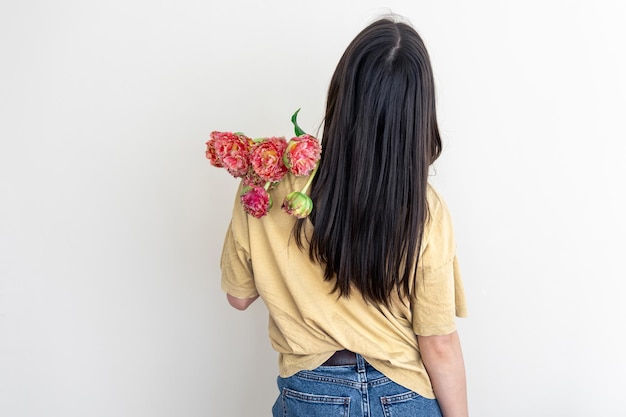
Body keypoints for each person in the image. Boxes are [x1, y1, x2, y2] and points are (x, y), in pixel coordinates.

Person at [220, 16, 469, 417]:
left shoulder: (267, 181)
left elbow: (238, 296)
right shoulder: (425, 209)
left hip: (309, 395)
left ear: (341, 93)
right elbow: (437, 342)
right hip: (403, 397)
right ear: (417, 116)